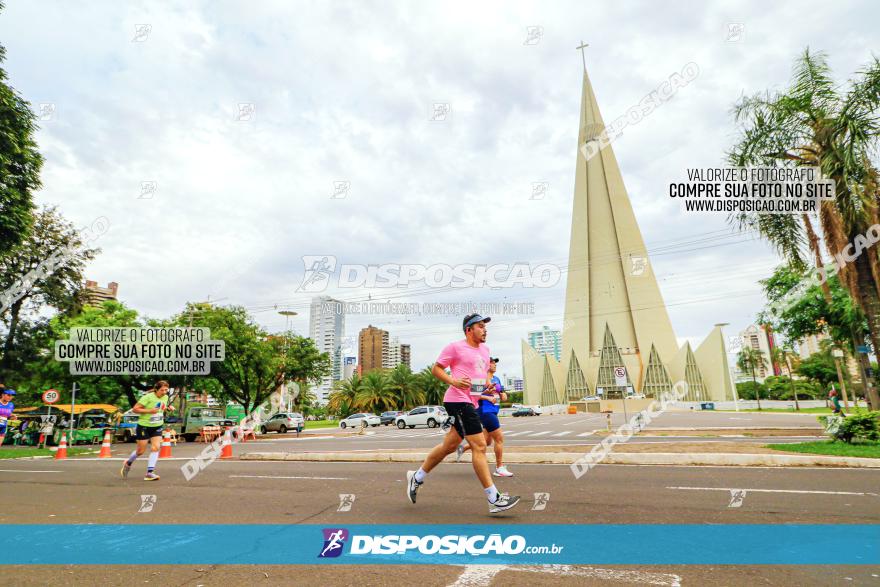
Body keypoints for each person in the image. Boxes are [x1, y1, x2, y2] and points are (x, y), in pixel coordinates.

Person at [405, 314, 520, 513]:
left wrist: (488, 388)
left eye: (485, 327)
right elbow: (436, 369)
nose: (485, 330)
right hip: (456, 400)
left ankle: (417, 477)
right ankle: (494, 498)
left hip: (471, 401)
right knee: (480, 445)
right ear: (469, 329)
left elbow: (479, 379)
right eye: (480, 326)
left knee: (448, 446)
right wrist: (453, 381)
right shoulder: (455, 347)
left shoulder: (485, 350)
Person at [456, 357, 512, 477]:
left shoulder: (496, 379)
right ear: (486, 365)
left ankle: (463, 448)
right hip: (485, 411)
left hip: (494, 410)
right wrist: (487, 397)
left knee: (486, 442)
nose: (494, 364)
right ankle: (499, 467)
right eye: (492, 363)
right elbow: (474, 394)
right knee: (499, 438)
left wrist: (503, 396)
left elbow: (502, 394)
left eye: (495, 363)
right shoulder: (480, 378)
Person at [121, 380, 174, 481]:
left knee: (156, 448)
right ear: (156, 389)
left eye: (166, 390)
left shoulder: (166, 397)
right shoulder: (147, 397)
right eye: (162, 390)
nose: (164, 392)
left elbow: (161, 407)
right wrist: (150, 411)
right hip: (144, 426)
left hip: (157, 425)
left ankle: (149, 473)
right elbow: (135, 409)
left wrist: (168, 408)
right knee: (140, 451)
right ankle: (128, 463)